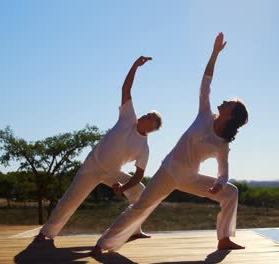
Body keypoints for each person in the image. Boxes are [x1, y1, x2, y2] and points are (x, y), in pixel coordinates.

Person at [91, 33, 248, 256]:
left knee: (230, 192)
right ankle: (103, 243)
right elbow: (206, 82)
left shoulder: (221, 144)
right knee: (141, 207)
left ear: (231, 115)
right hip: (168, 171)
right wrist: (215, 54)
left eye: (229, 103)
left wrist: (219, 186)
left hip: (190, 177)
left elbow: (224, 173)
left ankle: (224, 239)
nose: (224, 101)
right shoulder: (205, 114)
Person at [34, 56, 162, 242]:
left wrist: (123, 187)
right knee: (70, 200)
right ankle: (46, 233)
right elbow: (126, 89)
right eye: (147, 113)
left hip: (112, 172)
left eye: (149, 116)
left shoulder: (143, 148)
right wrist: (135, 66)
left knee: (139, 191)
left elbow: (138, 175)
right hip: (92, 166)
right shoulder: (128, 117)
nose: (144, 114)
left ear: (151, 126)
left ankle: (134, 229)